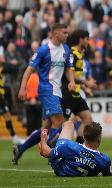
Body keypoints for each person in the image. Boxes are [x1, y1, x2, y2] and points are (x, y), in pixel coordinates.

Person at [17, 23, 76, 158]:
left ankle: (21, 148)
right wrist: (22, 88)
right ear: (56, 34)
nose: (67, 35)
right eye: (64, 32)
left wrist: (72, 81)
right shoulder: (44, 50)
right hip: (46, 89)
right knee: (60, 121)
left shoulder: (65, 49)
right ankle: (50, 152)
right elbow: (29, 69)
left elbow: (68, 68)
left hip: (57, 90)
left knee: (46, 127)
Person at [39, 120, 112, 177]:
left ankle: (53, 141)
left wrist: (43, 139)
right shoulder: (104, 160)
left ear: (84, 137)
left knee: (69, 123)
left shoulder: (69, 146)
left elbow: (45, 153)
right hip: (72, 168)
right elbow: (110, 174)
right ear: (99, 139)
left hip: (60, 168)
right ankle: (54, 145)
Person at [0, 59, 24, 144]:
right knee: (7, 115)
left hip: (1, 97)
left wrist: (13, 63)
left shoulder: (2, 68)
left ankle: (14, 137)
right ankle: (14, 138)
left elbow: (10, 69)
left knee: (8, 116)